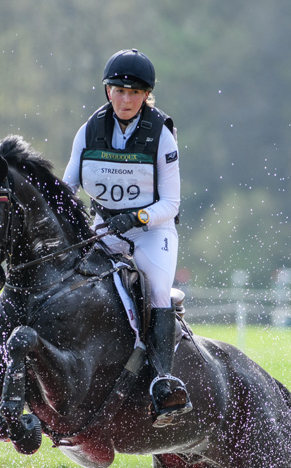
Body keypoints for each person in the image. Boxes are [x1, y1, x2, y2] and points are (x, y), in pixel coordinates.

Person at [63, 48, 191, 427]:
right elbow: (68, 186)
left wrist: (135, 217)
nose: (125, 98)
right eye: (118, 90)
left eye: (133, 92)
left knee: (155, 290)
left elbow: (171, 202)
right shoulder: (89, 130)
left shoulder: (161, 136)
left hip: (152, 231)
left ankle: (163, 382)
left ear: (145, 94)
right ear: (107, 91)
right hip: (103, 229)